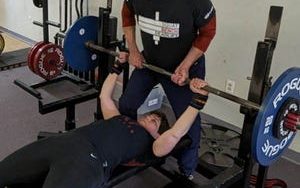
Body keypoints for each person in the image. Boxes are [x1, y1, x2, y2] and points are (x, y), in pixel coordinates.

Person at [0, 56, 209, 188]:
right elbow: (105, 98)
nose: (149, 117)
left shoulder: (153, 146)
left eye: (155, 120)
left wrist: (197, 102)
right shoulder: (120, 119)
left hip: (89, 161)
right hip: (64, 142)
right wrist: (116, 68)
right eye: (151, 114)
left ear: (158, 133)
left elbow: (175, 133)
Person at [120, 0, 216, 178]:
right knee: (127, 104)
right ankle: (129, 147)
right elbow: (127, 14)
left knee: (188, 121)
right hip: (150, 61)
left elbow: (208, 32)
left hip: (184, 68)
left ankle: (187, 171)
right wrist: (133, 49)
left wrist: (186, 65)